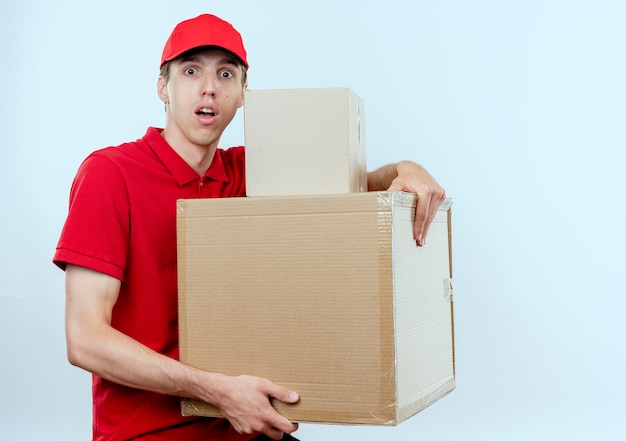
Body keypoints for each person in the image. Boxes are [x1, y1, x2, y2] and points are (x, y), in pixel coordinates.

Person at [53, 13, 445, 441]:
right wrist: (217, 391)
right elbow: (85, 338)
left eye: (225, 73)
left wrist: (408, 168)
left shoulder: (250, 172)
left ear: (243, 94)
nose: (209, 87)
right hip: (149, 431)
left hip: (247, 427)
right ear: (163, 87)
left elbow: (359, 185)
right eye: (190, 70)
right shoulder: (110, 174)